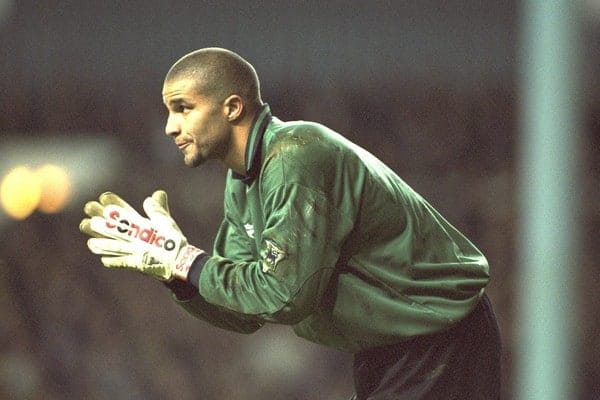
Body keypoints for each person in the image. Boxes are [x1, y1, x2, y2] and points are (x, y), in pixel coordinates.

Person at [80, 47, 502, 399]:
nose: (171, 126)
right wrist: (174, 272)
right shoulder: (243, 180)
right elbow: (246, 312)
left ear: (231, 107)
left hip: (437, 332)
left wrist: (187, 260)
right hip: (392, 342)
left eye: (184, 108)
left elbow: (285, 296)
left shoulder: (295, 155)